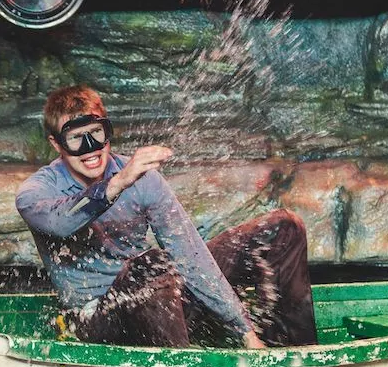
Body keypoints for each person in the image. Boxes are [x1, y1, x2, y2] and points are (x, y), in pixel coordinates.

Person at [16, 84, 317, 349]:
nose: (90, 149)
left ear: (107, 130)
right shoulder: (37, 191)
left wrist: (244, 330)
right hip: (100, 321)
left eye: (96, 134)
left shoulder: (143, 179)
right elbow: (60, 222)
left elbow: (190, 254)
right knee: (151, 263)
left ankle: (291, 355)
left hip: (162, 305)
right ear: (56, 144)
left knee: (283, 228)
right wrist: (118, 182)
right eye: (76, 139)